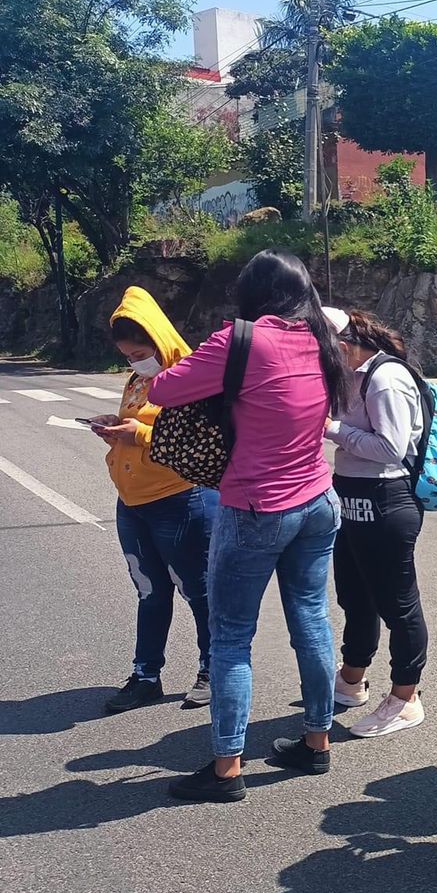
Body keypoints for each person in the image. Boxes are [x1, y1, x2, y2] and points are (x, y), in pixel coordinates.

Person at [151, 249, 347, 803]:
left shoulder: (243, 340)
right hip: (317, 500)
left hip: (257, 507)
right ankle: (316, 740)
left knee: (232, 636)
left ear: (253, 292)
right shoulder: (320, 339)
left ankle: (227, 768)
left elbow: (164, 390)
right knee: (311, 618)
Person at [96, 287, 218, 713]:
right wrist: (117, 424)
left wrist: (140, 435)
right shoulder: (138, 380)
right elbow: (138, 422)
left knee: (199, 590)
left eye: (139, 352)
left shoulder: (190, 376)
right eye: (127, 356)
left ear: (160, 339)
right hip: (133, 501)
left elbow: (199, 442)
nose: (134, 361)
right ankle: (146, 675)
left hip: (180, 498)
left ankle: (213, 669)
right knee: (149, 590)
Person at [322, 309, 429, 739]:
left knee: (397, 604)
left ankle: (406, 697)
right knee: (355, 594)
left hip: (386, 499)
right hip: (351, 494)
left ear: (343, 346)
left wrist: (331, 428)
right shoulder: (351, 374)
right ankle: (352, 678)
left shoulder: (385, 378)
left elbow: (391, 447)